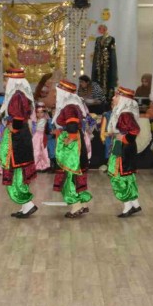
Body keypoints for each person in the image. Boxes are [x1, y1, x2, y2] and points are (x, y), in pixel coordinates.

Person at [0, 69, 38, 219]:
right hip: (21, 136)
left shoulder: (16, 96)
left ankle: (27, 204)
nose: (3, 84)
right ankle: (25, 206)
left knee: (17, 170)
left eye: (5, 80)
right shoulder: (21, 95)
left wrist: (13, 128)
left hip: (17, 138)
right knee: (19, 170)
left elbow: (17, 117)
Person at [52, 80, 93, 218]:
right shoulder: (73, 104)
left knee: (69, 173)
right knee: (78, 171)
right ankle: (83, 203)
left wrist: (70, 137)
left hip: (72, 145)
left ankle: (75, 206)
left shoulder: (69, 106)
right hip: (76, 141)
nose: (55, 94)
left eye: (57, 91)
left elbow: (72, 125)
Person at [106, 86, 145, 218]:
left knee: (118, 176)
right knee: (127, 176)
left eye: (116, 96)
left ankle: (127, 206)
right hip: (124, 147)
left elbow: (134, 130)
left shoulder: (125, 114)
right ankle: (135, 204)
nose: (113, 98)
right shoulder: (125, 112)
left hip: (123, 148)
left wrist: (123, 138)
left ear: (122, 99)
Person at [31, 102, 52, 172]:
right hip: (36, 137)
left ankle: (45, 165)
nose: (39, 114)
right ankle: (35, 166)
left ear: (44, 113)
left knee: (44, 151)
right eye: (38, 112)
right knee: (36, 151)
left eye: (41, 112)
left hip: (42, 136)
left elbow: (48, 127)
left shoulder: (46, 120)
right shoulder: (34, 120)